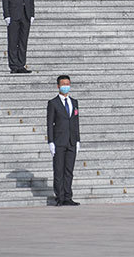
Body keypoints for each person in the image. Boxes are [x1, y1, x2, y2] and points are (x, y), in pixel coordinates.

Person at [47, 75, 81, 206]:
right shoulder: (53, 103)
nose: (66, 86)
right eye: (63, 84)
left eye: (68, 83)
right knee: (59, 170)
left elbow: (76, 122)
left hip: (71, 141)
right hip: (59, 141)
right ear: (58, 86)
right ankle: (59, 197)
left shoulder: (74, 102)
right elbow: (50, 123)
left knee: (69, 171)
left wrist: (77, 140)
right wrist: (51, 141)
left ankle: (68, 196)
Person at [2, 0, 35, 74]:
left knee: (23, 42)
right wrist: (6, 15)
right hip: (14, 15)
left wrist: (32, 14)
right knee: (13, 41)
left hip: (25, 15)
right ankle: (13, 66)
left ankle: (21, 64)